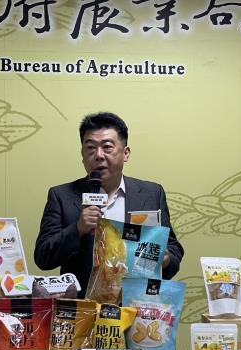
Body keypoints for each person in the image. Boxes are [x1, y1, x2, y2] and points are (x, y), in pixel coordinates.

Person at [34, 112, 184, 297]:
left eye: (107, 147)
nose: (98, 155)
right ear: (82, 154)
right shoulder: (61, 196)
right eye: (91, 148)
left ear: (125, 153)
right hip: (83, 309)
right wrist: (78, 229)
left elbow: (173, 249)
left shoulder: (152, 193)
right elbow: (43, 257)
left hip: (135, 305)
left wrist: (165, 259)